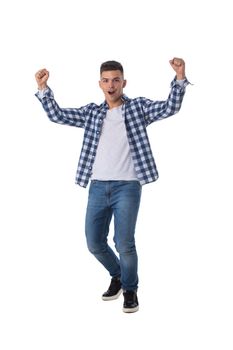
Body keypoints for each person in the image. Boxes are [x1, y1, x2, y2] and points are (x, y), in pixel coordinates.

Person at [35, 58, 189, 313]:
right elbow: (58, 115)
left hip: (127, 186)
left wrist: (180, 77)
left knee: (124, 242)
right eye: (106, 80)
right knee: (94, 242)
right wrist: (43, 89)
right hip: (97, 186)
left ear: (123, 82)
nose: (111, 84)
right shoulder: (92, 113)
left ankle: (130, 290)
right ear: (100, 84)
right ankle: (118, 274)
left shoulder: (137, 108)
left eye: (116, 79)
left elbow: (170, 107)